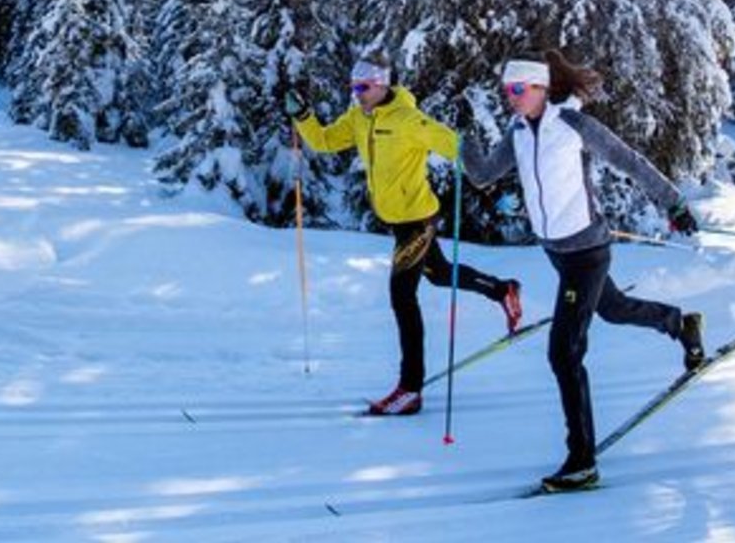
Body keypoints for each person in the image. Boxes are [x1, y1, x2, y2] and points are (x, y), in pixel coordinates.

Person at [461, 49, 704, 493]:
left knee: (564, 353)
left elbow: (630, 161)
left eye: (518, 90)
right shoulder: (517, 132)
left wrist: (674, 204)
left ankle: (582, 461)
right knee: (613, 307)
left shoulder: (573, 125)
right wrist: (465, 138)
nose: (510, 98)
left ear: (541, 88)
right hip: (556, 252)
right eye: (506, 91)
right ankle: (680, 324)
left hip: (588, 251)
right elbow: (480, 175)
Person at [287, 51, 522, 417]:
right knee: (442, 275)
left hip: (418, 221)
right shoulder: (359, 118)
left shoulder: (409, 120)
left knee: (402, 296)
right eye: (353, 87)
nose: (357, 94)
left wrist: (491, 184)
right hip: (399, 222)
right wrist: (303, 116)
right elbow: (324, 141)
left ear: (382, 85)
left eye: (363, 87)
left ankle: (410, 389)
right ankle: (502, 289)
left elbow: (453, 144)